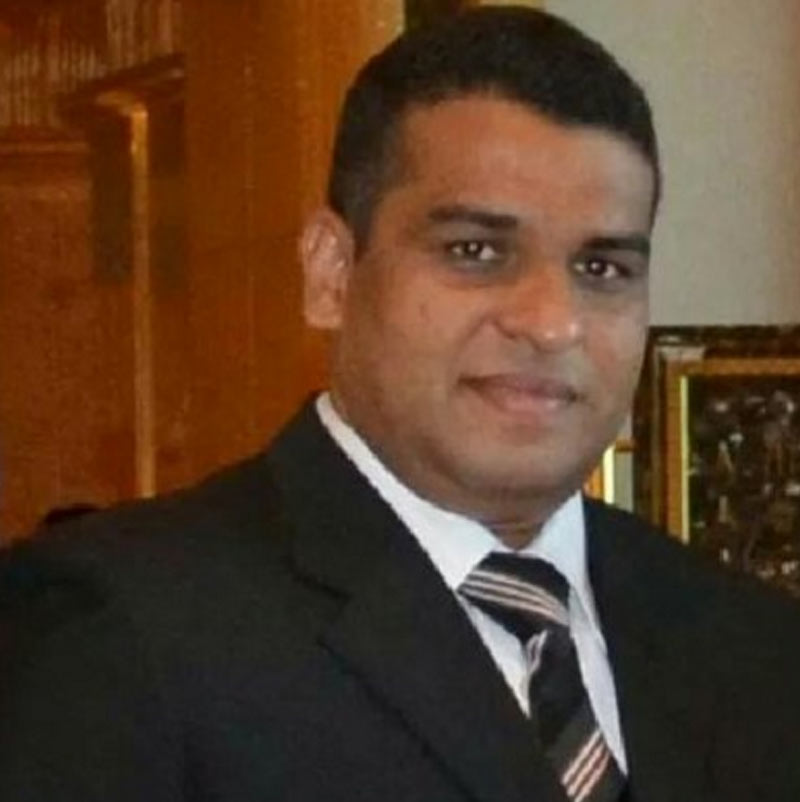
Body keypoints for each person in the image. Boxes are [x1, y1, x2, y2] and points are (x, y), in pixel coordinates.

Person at [2, 7, 800, 802]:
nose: (552, 321)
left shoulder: (752, 644)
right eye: (476, 252)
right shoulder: (117, 629)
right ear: (331, 272)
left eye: (602, 269)